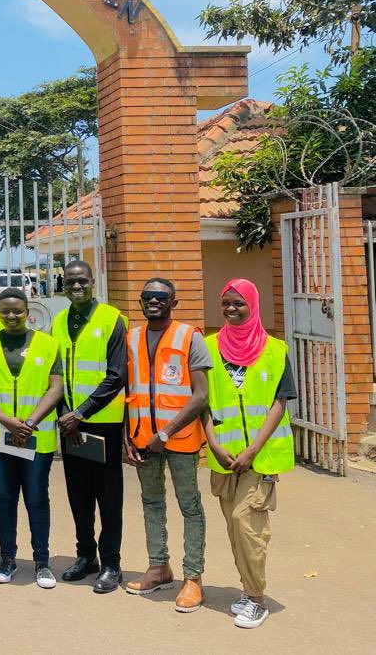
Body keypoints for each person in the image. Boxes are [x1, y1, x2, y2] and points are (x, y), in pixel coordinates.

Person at [203, 279, 295, 630]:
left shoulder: (275, 349)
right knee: (234, 527)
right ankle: (247, 589)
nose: (230, 308)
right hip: (224, 457)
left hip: (260, 457)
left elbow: (279, 402)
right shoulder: (209, 347)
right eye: (225, 302)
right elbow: (203, 402)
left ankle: (256, 599)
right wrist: (213, 443)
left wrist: (253, 448)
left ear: (252, 305)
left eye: (238, 303)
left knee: (248, 524)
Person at [123, 278, 210, 612]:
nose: (153, 301)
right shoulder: (131, 338)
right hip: (142, 438)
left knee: (189, 505)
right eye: (147, 296)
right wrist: (126, 438)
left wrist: (167, 433)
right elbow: (126, 391)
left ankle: (193, 578)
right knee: (151, 502)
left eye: (161, 296)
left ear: (174, 301)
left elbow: (200, 396)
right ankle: (158, 567)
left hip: (181, 440)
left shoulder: (190, 337)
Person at [0, 289, 63, 588]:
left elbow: (55, 388)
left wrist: (30, 422)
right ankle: (8, 559)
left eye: (17, 311)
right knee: (4, 496)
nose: (11, 316)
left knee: (37, 497)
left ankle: (42, 562)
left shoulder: (48, 344)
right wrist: (7, 422)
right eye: (5, 311)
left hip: (35, 436)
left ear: (28, 311)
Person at [52, 259, 128, 594]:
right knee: (78, 495)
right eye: (70, 282)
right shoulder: (57, 322)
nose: (76, 286)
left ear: (93, 282)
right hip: (71, 427)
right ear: (63, 284)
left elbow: (117, 376)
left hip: (103, 425)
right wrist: (66, 414)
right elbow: (55, 377)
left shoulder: (113, 320)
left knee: (109, 497)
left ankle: (111, 562)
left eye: (82, 281)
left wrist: (80, 412)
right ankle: (87, 556)